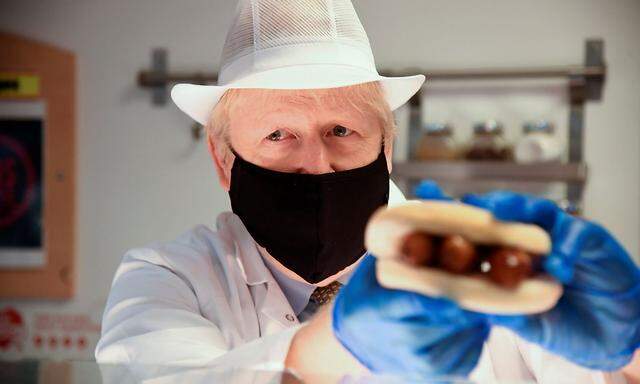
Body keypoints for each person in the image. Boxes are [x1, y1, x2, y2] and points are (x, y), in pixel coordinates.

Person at [96, 0, 640, 382]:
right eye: (278, 135)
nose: (317, 163)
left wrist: (631, 342)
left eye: (342, 131)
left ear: (386, 148)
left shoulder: (480, 260)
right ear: (223, 161)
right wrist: (338, 342)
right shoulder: (170, 278)